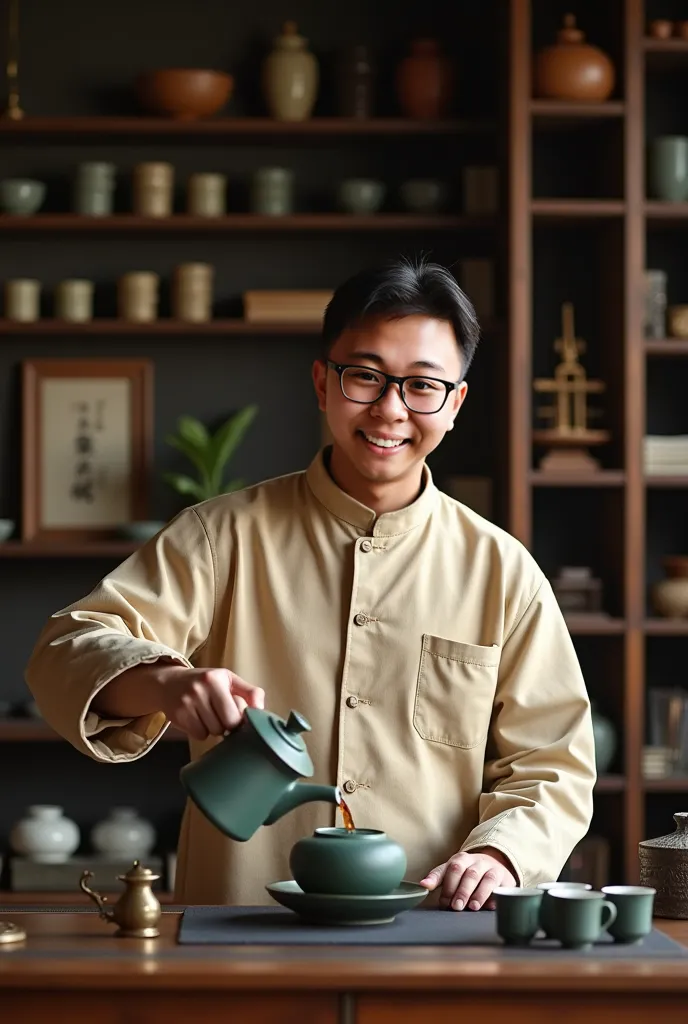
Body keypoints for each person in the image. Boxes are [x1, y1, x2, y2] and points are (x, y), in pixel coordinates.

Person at [25, 257, 595, 909]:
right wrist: (166, 682)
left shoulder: (501, 570)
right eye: (365, 377)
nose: (389, 410)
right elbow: (67, 647)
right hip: (240, 926)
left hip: (429, 934)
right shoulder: (220, 536)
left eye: (421, 386)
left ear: (455, 402)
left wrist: (501, 852)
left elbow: (554, 762)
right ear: (323, 383)